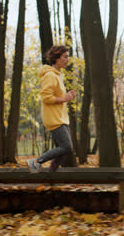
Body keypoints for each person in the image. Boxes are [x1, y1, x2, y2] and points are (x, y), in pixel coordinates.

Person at [27, 45, 77, 173]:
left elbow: (58, 97)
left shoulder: (58, 75)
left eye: (68, 57)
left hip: (60, 117)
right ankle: (36, 162)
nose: (67, 59)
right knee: (67, 147)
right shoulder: (50, 75)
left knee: (62, 149)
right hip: (54, 118)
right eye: (65, 57)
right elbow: (46, 98)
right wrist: (65, 99)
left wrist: (68, 97)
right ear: (56, 58)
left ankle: (51, 174)